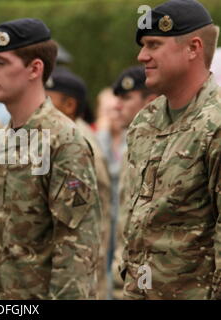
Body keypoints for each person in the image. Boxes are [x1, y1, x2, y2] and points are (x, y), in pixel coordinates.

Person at [0, 18, 101, 299]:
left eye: (0, 62)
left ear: (35, 68)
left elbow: (77, 248)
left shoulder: (63, 140)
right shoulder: (4, 138)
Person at [121, 0, 221, 299]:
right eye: (142, 45)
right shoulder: (145, 121)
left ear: (193, 48)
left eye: (154, 44)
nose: (142, 56)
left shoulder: (215, 124)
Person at [45, 67, 112, 299]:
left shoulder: (78, 142)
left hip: (80, 269)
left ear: (70, 105)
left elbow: (75, 217)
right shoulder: (61, 136)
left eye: (47, 100)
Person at [109, 66, 157, 299]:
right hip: (127, 276)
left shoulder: (162, 148)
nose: (117, 106)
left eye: (126, 98)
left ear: (151, 101)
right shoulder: (132, 148)